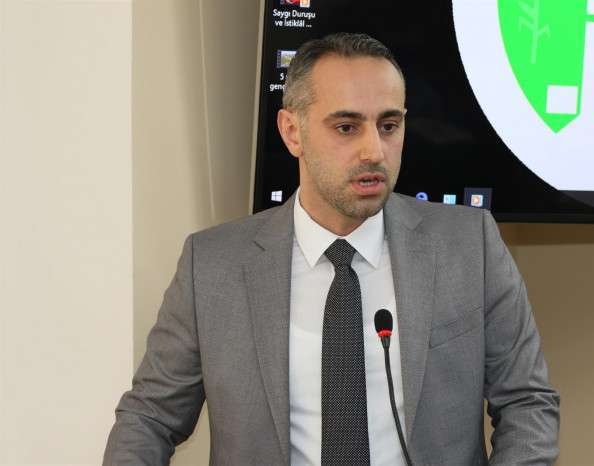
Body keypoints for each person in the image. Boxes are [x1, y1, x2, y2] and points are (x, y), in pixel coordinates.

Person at [104, 32, 559, 465]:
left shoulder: (469, 244)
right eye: (346, 127)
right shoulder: (213, 265)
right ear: (292, 131)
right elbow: (150, 418)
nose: (374, 151)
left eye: (389, 125)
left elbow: (527, 402)